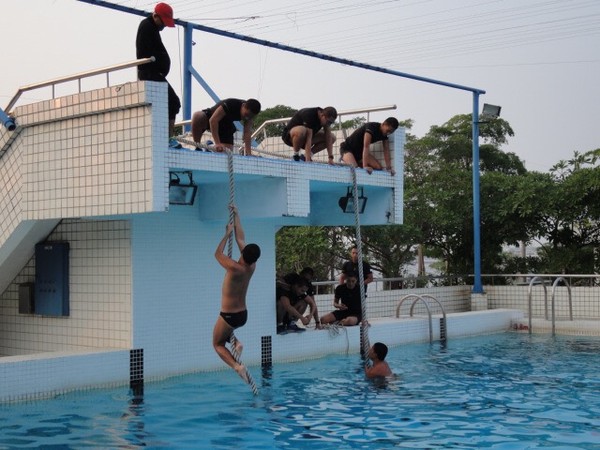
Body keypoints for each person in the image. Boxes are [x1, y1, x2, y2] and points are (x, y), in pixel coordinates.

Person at [213, 205, 261, 381]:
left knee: (217, 344)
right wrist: (237, 214)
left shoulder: (234, 267)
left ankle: (237, 366)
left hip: (229, 315)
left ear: (243, 253)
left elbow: (217, 254)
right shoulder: (251, 267)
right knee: (226, 333)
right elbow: (240, 236)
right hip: (242, 315)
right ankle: (237, 343)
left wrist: (227, 233)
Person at [136, 2, 182, 149]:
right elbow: (145, 52)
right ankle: (168, 138)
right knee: (173, 102)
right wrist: (159, 64)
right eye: (163, 22)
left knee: (170, 103)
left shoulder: (151, 27)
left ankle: (167, 137)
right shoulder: (147, 27)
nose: (163, 27)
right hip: (150, 73)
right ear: (155, 16)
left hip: (154, 72)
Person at [191, 98, 261, 154]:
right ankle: (198, 147)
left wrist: (249, 153)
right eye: (246, 114)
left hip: (226, 125)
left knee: (226, 152)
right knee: (197, 116)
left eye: (250, 116)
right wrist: (218, 143)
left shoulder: (249, 116)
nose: (247, 118)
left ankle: (209, 147)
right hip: (212, 117)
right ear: (243, 106)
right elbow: (213, 120)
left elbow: (247, 133)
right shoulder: (231, 104)